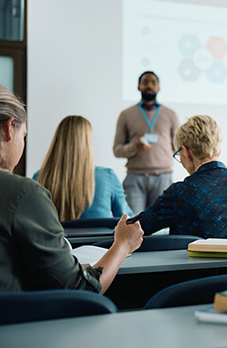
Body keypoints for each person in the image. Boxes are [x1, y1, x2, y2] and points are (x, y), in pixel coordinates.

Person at [0, 86, 143, 293]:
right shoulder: (24, 194)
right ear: (9, 128)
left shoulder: (40, 177)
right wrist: (122, 245)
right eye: (24, 135)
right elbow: (77, 289)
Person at [136, 115, 227, 237]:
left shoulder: (179, 193)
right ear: (218, 149)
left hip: (194, 267)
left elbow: (137, 229)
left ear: (186, 152)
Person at [34, 116, 133, 221]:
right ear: (87, 142)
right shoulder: (107, 177)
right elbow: (127, 219)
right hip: (99, 238)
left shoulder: (40, 178)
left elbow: (32, 220)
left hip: (57, 238)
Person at [113, 71, 179, 214]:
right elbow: (117, 150)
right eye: (145, 82)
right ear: (138, 86)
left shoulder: (170, 114)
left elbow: (179, 147)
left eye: (153, 82)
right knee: (133, 223)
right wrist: (133, 147)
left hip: (163, 177)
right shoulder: (126, 115)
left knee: (161, 227)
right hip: (135, 178)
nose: (149, 85)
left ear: (158, 87)